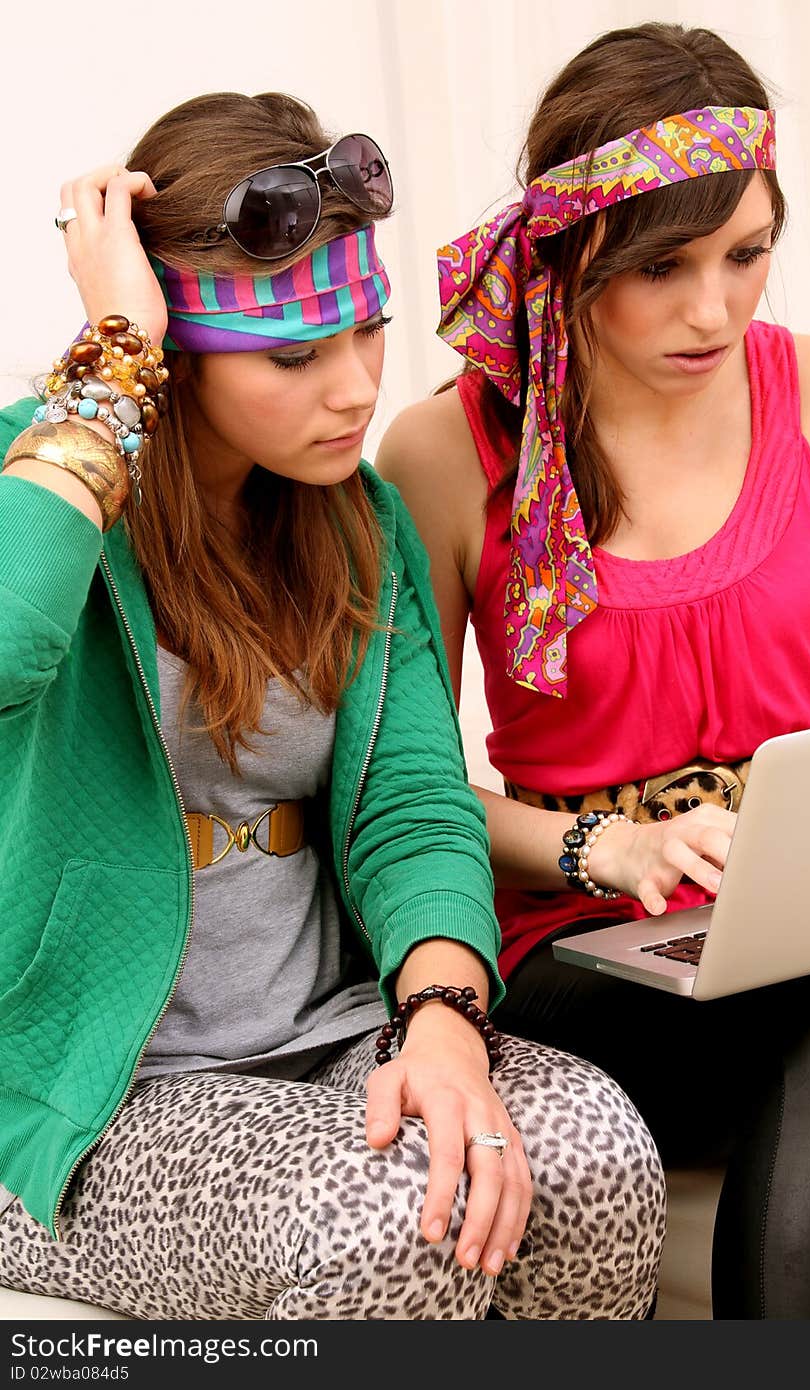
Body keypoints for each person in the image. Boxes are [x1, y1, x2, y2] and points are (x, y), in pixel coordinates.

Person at [0, 91, 666, 1322]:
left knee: (596, 1158)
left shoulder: (360, 524)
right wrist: (109, 359)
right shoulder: (44, 478)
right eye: (295, 355)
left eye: (366, 332)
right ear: (173, 346)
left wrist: (444, 1016)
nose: (356, 387)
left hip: (329, 1028)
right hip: (96, 1090)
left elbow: (412, 802)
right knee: (388, 1216)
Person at [376, 21, 810, 1320]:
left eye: (748, 254)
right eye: (664, 265)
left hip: (801, 922)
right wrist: (615, 848)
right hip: (583, 945)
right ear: (571, 248)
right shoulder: (442, 455)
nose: (715, 306)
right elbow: (400, 799)